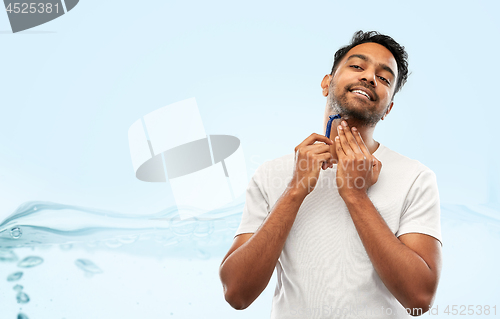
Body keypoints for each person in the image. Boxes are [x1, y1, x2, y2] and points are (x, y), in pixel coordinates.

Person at [219, 30, 442, 318]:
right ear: (326, 83)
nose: (369, 77)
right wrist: (296, 189)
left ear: (389, 108)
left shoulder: (416, 177)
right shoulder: (271, 174)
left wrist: (355, 195)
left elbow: (419, 300)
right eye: (357, 66)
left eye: (384, 78)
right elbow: (236, 293)